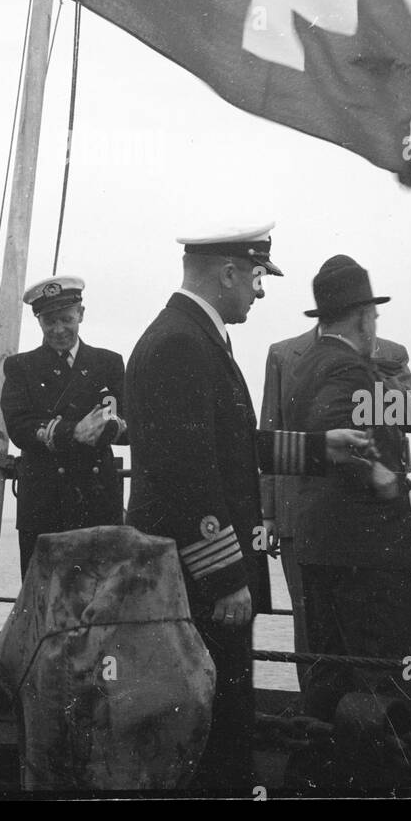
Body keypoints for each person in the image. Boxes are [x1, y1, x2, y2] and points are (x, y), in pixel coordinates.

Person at [124, 223, 280, 788]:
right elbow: (187, 473)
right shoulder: (181, 344)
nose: (259, 293)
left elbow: (228, 442)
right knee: (214, 726)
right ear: (230, 272)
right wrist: (226, 577)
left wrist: (319, 448)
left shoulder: (186, 334)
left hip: (191, 573)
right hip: (200, 581)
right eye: (258, 277)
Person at [284, 256, 411, 721]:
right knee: (386, 682)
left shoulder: (305, 363)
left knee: (333, 675)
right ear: (364, 316)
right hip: (367, 557)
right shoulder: (348, 368)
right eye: (374, 316)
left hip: (321, 546)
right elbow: (330, 428)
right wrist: (375, 474)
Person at [1, 276, 127, 576]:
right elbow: (18, 427)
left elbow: (131, 423)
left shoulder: (108, 363)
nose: (59, 329)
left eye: (66, 319)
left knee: (101, 599)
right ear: (39, 321)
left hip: (97, 501)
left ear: (81, 314)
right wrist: (72, 432)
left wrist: (104, 428)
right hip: (46, 503)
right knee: (43, 601)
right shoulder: (21, 367)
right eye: (49, 321)